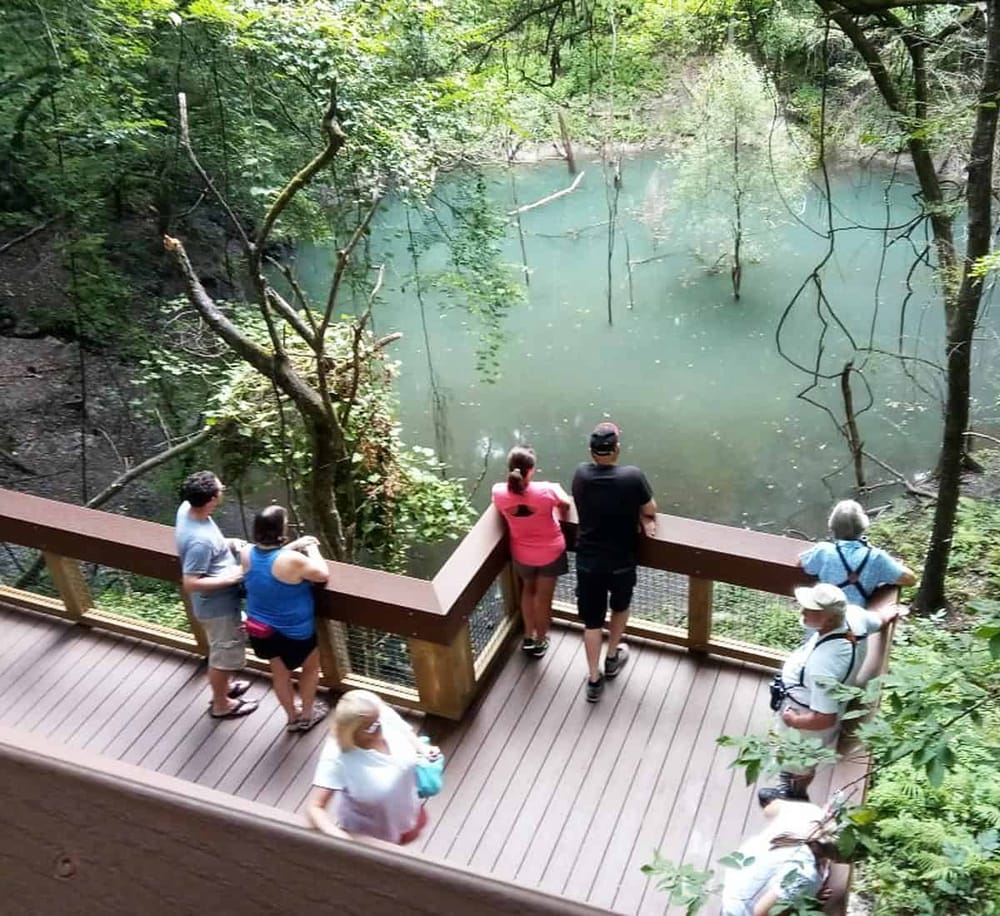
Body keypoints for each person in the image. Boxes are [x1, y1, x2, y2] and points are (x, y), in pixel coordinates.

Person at [572, 421, 657, 702]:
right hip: (621, 561)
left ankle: (593, 680)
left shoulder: (581, 475)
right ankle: (611, 657)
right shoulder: (632, 477)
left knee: (592, 622)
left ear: (591, 451)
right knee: (620, 607)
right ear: (617, 449)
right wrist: (642, 517)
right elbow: (651, 508)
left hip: (588, 562)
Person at [174, 470, 259, 720]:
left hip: (219, 604)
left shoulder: (187, 510)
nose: (223, 490)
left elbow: (209, 546)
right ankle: (222, 704)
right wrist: (233, 578)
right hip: (217, 608)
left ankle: (226, 687)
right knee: (222, 657)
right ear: (211, 499)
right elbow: (191, 583)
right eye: (220, 489)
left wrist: (228, 544)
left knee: (223, 650)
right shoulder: (200, 542)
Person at [306, 689, 441, 844]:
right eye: (371, 727)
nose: (379, 727)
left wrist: (422, 748)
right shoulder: (337, 758)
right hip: (372, 833)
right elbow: (315, 807)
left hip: (408, 810)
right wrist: (344, 841)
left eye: (379, 721)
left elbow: (404, 730)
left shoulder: (377, 714)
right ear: (352, 731)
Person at [240, 505, 330, 733]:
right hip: (294, 632)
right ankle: (307, 715)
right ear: (281, 530)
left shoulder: (246, 553)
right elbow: (322, 574)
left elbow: (269, 558)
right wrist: (311, 547)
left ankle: (292, 718)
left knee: (280, 675)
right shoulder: (292, 561)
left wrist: (294, 545)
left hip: (261, 630)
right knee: (310, 669)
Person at [491, 446, 571, 658]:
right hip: (551, 552)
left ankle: (528, 637)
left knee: (528, 589)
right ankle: (540, 640)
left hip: (522, 553)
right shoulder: (546, 490)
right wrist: (555, 493)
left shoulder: (498, 491)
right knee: (543, 598)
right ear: (532, 470)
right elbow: (566, 504)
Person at [721, 799, 839, 916]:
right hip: (741, 910)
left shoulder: (809, 812)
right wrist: (804, 900)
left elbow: (769, 810)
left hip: (736, 883)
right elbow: (762, 913)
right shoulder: (806, 875)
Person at [799, 500, 916, 607]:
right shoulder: (876, 557)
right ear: (863, 527)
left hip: (825, 614)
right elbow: (910, 580)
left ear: (832, 526)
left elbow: (804, 564)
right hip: (856, 618)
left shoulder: (823, 550)